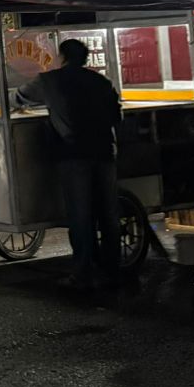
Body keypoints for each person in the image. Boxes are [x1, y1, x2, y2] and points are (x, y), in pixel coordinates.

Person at [15, 39, 123, 290]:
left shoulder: (49, 81)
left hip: (73, 154)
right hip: (104, 153)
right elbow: (116, 116)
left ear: (62, 57)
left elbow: (19, 97)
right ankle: (112, 269)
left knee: (80, 215)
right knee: (108, 214)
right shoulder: (101, 81)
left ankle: (83, 273)